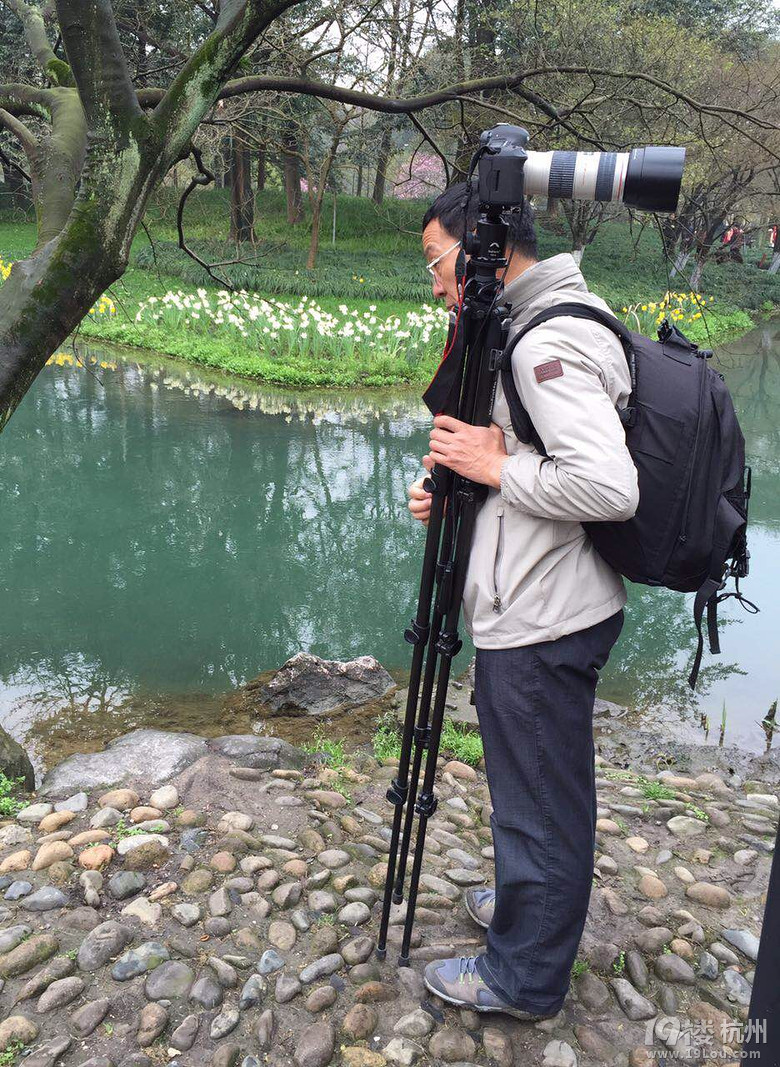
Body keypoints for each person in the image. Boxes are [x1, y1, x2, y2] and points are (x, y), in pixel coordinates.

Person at [409, 183, 639, 1021]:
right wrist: (467, 480)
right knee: (530, 791)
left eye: (437, 263)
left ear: (481, 252)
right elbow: (530, 456)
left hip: (546, 614)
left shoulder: (548, 342)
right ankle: (525, 906)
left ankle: (523, 977)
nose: (436, 285)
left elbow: (608, 486)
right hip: (540, 598)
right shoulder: (532, 322)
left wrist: (495, 468)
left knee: (541, 805)